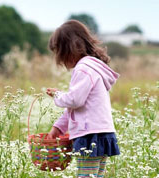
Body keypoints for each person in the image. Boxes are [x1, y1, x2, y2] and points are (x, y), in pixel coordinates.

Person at [46, 20, 120, 178]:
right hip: (102, 133)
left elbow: (74, 101)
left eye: (59, 53)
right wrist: (58, 128)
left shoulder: (83, 69)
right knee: (95, 176)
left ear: (69, 49)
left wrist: (57, 95)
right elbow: (77, 107)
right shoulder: (93, 67)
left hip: (90, 135)